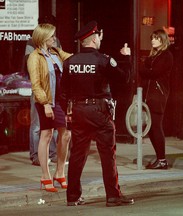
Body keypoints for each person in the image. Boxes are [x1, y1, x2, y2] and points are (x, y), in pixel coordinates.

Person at [60, 20, 134, 207]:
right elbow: (124, 78)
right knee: (107, 154)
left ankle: (73, 196)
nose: (101, 39)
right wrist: (126, 58)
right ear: (94, 39)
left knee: (77, 154)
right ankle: (113, 195)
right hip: (99, 112)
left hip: (78, 111)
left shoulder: (69, 62)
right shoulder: (103, 60)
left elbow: (62, 93)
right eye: (99, 36)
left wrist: (69, 111)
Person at [27, 23, 72, 192]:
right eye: (51, 36)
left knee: (65, 134)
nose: (54, 38)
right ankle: (45, 175)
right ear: (43, 37)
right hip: (46, 101)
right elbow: (36, 84)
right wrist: (45, 103)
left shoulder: (55, 53)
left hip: (60, 101)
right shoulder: (35, 57)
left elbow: (72, 59)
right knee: (46, 134)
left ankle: (60, 172)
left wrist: (58, 50)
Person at [24, 15, 61, 166]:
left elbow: (61, 59)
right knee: (37, 124)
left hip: (54, 89)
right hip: (40, 87)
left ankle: (51, 154)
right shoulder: (32, 42)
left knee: (52, 125)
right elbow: (29, 62)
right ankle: (36, 156)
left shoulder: (55, 41)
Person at [139, 29, 173, 169]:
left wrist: (143, 69)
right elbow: (145, 72)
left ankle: (162, 159)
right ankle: (160, 158)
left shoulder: (166, 55)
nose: (152, 40)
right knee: (152, 127)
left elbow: (154, 72)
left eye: (156, 38)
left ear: (162, 40)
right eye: (152, 38)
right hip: (149, 95)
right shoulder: (152, 56)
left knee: (156, 126)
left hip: (158, 95)